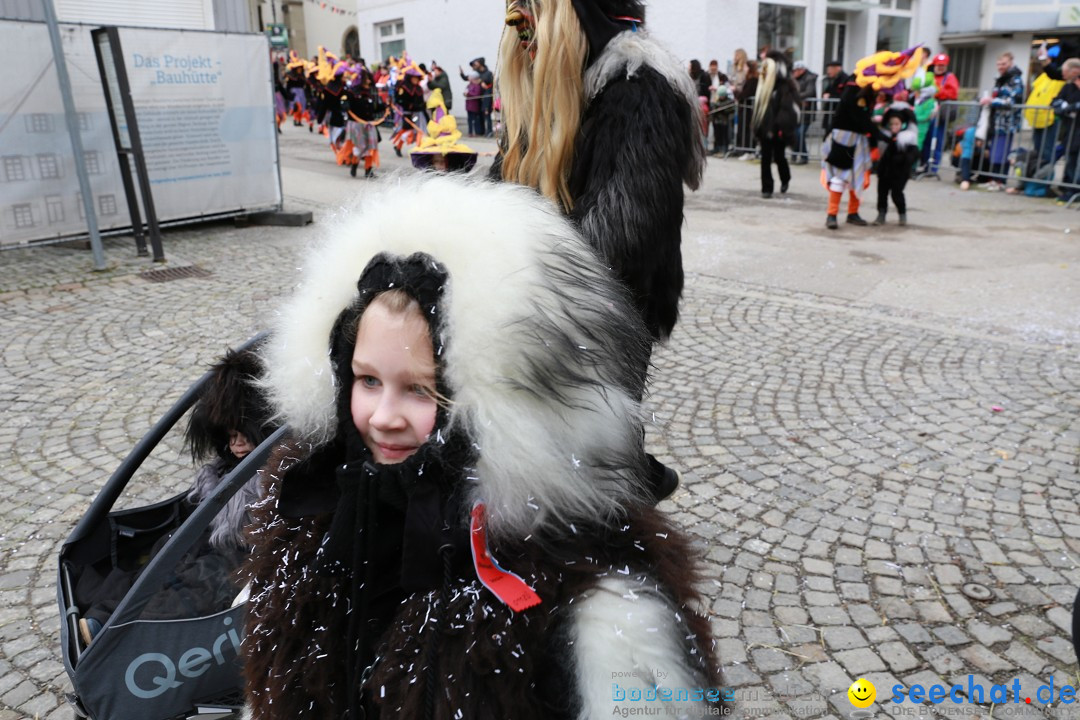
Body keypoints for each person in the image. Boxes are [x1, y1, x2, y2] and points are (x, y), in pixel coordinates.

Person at [240, 176, 722, 720]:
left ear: (496, 405)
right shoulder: (313, 508)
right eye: (367, 380)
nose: (382, 417)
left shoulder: (588, 599)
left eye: (421, 390)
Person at [76, 347, 274, 644]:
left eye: (244, 435)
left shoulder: (274, 472)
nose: (237, 445)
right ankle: (106, 611)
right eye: (231, 437)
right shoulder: (225, 472)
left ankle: (113, 626)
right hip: (211, 535)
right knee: (167, 550)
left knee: (203, 580)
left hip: (244, 553)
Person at [821, 47, 921, 229]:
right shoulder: (853, 88)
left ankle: (853, 213)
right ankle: (832, 214)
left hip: (858, 138)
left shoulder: (866, 89)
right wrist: (879, 135)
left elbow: (864, 118)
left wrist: (875, 137)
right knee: (840, 176)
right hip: (843, 137)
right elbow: (858, 116)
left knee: (858, 176)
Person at [753, 50, 800, 198]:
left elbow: (787, 109)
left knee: (779, 157)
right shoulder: (763, 86)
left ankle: (785, 179)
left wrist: (781, 127)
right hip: (765, 128)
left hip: (779, 129)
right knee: (765, 158)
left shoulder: (785, 86)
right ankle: (767, 188)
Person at [980, 51, 1025, 190]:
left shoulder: (1015, 80)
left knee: (1002, 152)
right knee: (995, 151)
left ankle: (1000, 181)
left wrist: (992, 101)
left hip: (1007, 123)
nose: (1000, 66)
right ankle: (993, 179)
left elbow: (1011, 101)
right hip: (996, 121)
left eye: (1004, 64)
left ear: (1011, 62)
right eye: (998, 64)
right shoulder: (1000, 78)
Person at [873, 102, 919, 225]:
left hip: (900, 172)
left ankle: (902, 214)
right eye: (892, 124)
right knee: (881, 193)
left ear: (902, 124)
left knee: (896, 194)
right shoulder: (885, 137)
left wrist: (904, 158)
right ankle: (881, 214)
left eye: (897, 124)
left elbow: (914, 154)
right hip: (885, 171)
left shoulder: (908, 138)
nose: (894, 126)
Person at [918, 53, 959, 174]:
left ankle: (934, 167)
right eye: (938, 65)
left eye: (943, 65)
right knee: (926, 138)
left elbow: (952, 93)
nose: (940, 67)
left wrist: (937, 91)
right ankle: (924, 164)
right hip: (927, 111)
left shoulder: (950, 77)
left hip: (940, 114)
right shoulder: (929, 76)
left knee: (937, 139)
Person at [344, 66, 386, 179]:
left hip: (369, 124)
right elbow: (346, 107)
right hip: (357, 125)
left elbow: (373, 110)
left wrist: (384, 107)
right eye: (366, 78)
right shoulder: (352, 93)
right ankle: (354, 164)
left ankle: (368, 170)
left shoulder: (369, 93)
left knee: (371, 148)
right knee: (360, 147)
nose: (368, 81)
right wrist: (345, 105)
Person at [1051, 58, 1080, 202]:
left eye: (1065, 72)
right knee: (1070, 158)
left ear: (1075, 71)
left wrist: (1069, 107)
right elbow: (1055, 102)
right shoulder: (1067, 87)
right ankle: (1070, 189)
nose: (1063, 75)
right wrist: (1065, 108)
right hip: (1070, 129)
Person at [792, 60, 817, 164]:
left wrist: (796, 96)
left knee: (800, 133)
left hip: (806, 111)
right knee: (795, 133)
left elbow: (809, 92)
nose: (794, 72)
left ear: (801, 70)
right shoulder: (794, 79)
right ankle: (795, 154)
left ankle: (803, 156)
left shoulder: (809, 78)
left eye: (796, 70)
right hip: (797, 110)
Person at [735, 60, 760, 154]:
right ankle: (744, 149)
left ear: (749, 68)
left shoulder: (753, 80)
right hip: (745, 109)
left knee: (747, 131)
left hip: (749, 109)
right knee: (743, 129)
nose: (744, 69)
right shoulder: (749, 79)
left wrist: (736, 92)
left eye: (745, 67)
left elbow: (746, 94)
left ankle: (749, 151)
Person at [820, 59, 848, 132]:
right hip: (830, 111)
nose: (828, 72)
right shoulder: (831, 79)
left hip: (838, 112)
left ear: (838, 68)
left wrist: (830, 97)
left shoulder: (845, 79)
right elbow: (827, 91)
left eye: (830, 69)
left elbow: (844, 95)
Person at [464, 71, 485, 136]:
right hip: (469, 105)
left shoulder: (477, 85)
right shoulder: (469, 85)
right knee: (469, 120)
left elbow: (477, 94)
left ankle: (476, 132)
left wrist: (468, 93)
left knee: (475, 120)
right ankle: (470, 132)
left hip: (474, 105)